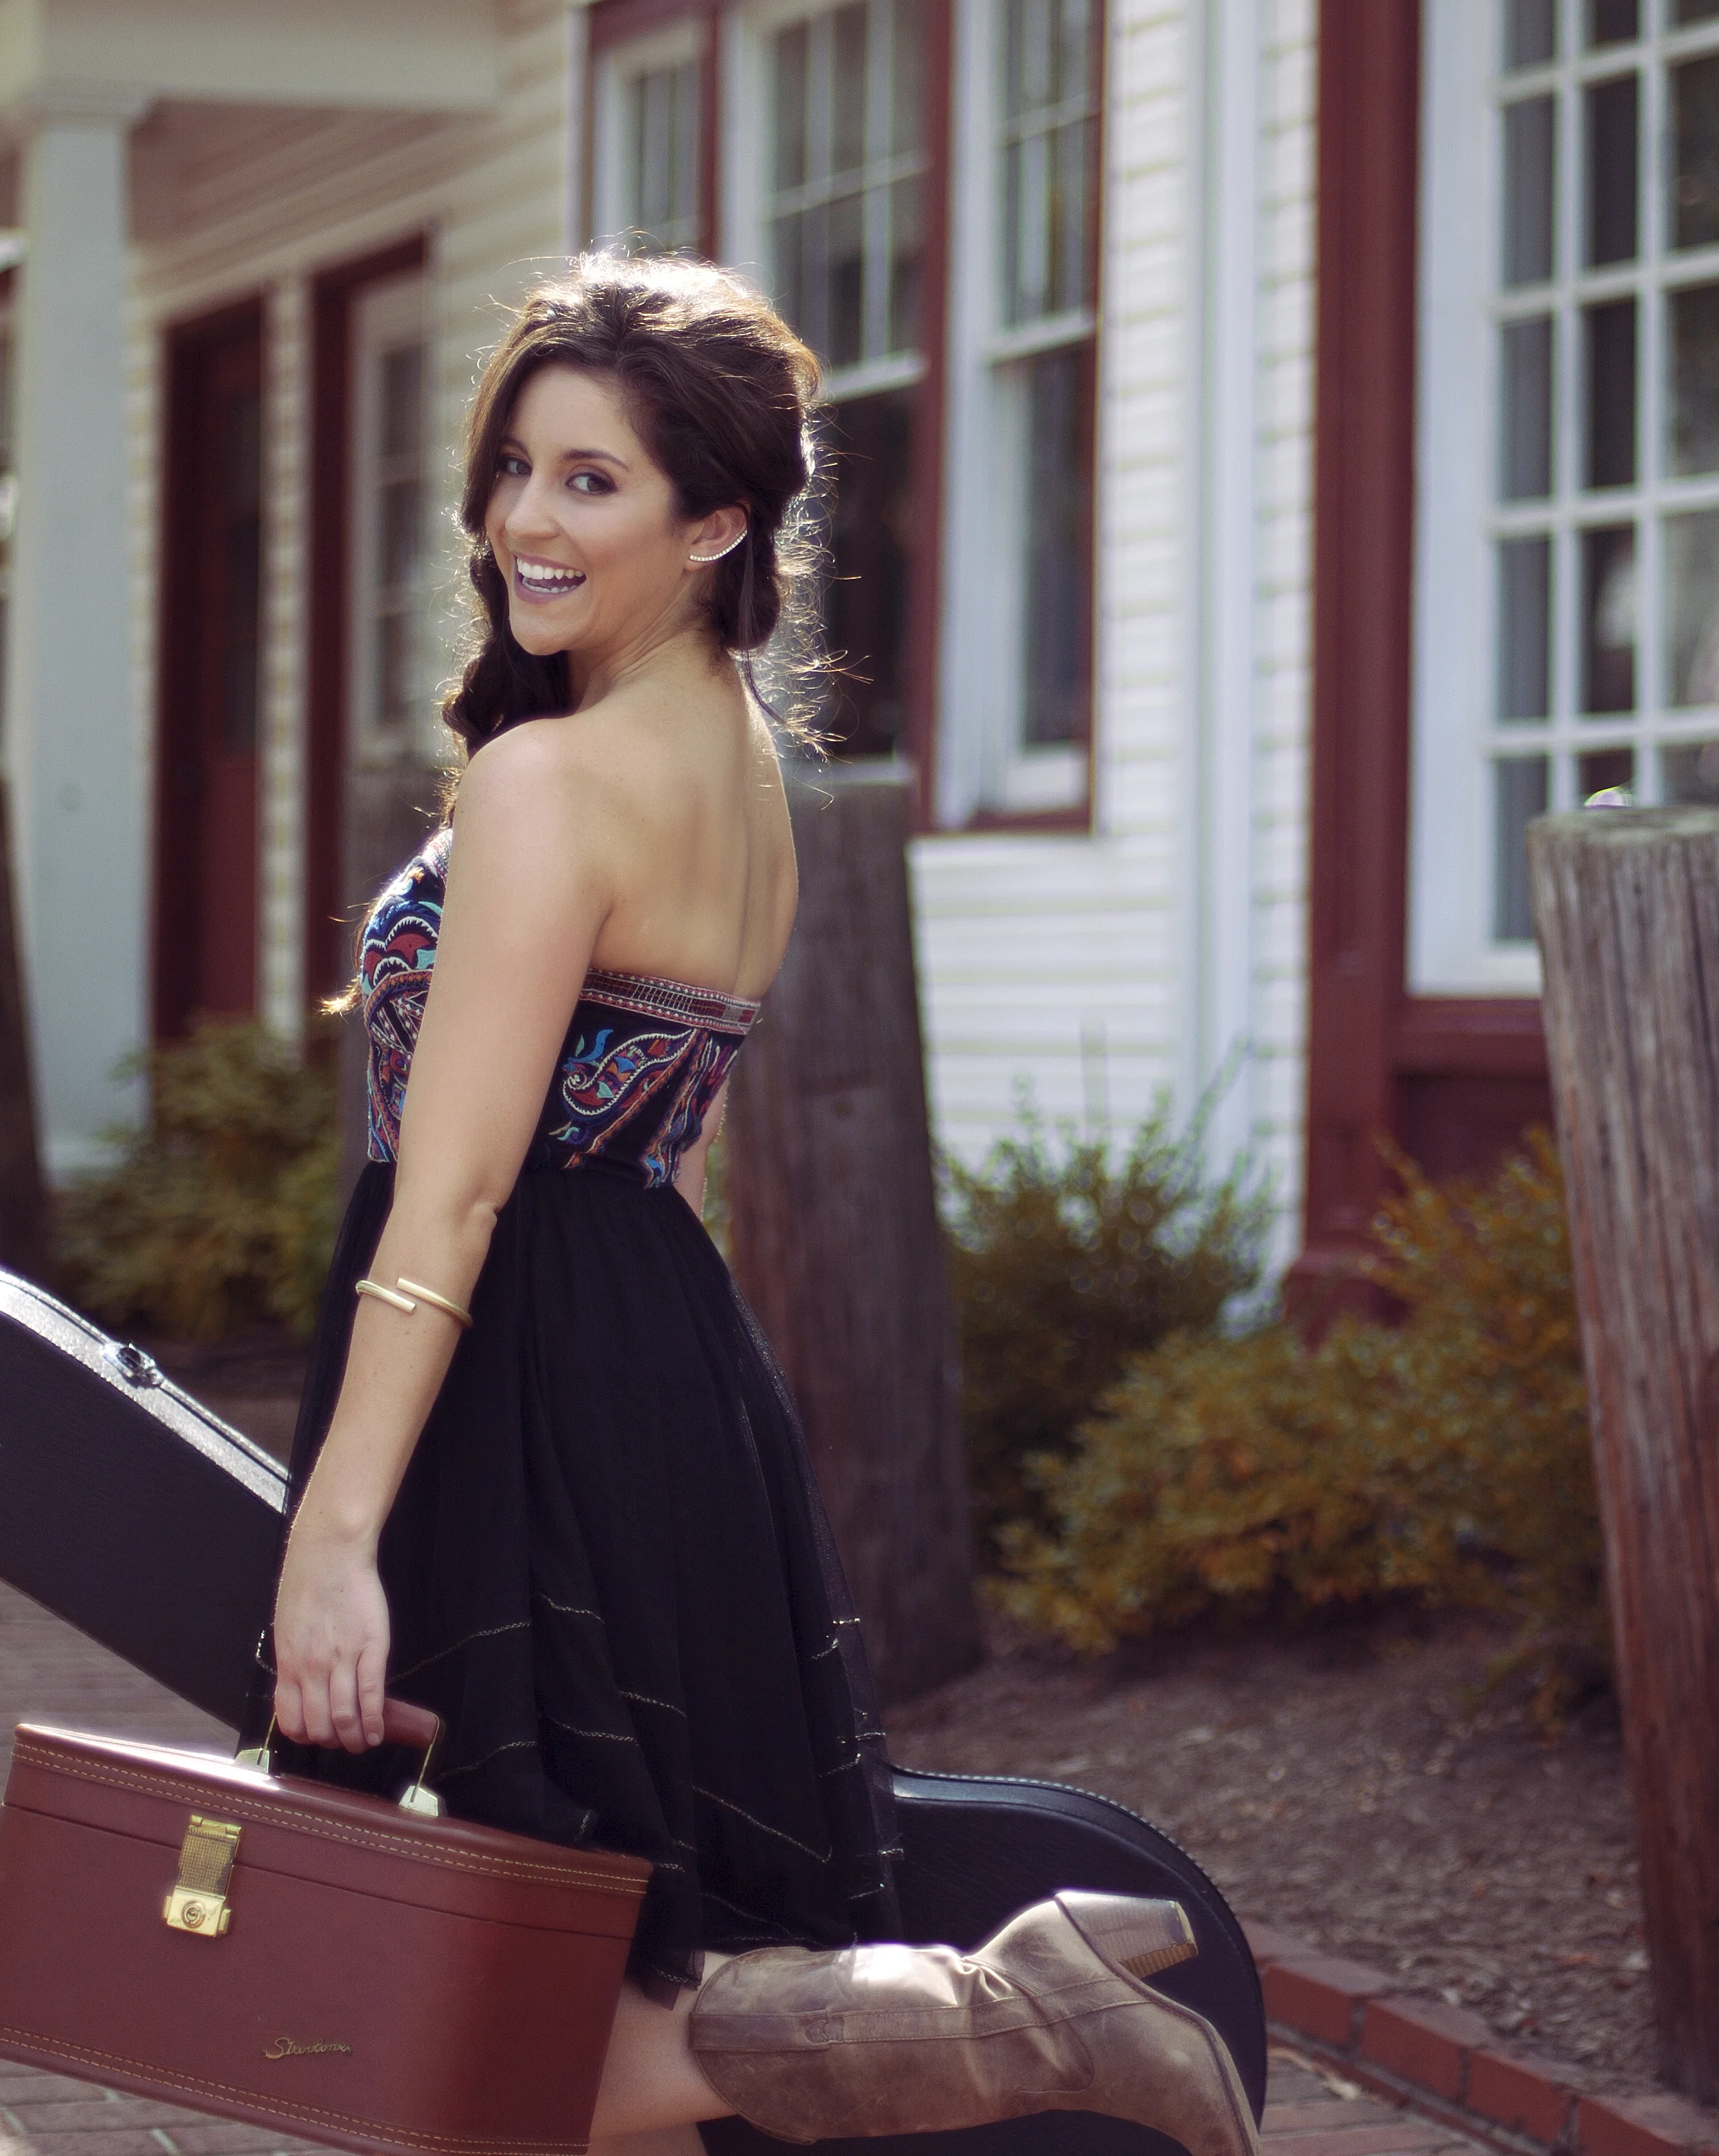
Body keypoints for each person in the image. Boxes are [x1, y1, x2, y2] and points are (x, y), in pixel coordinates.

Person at [267, 255, 1258, 2156]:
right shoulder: (740, 778)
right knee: (588, 2008)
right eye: (514, 470)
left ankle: (1001, 2013)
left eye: (590, 482)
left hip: (521, 1378)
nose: (521, 523)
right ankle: (998, 2010)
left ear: (716, 518)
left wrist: (337, 1538)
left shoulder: (553, 782)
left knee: (513, 2021)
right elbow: (676, 1148)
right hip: (669, 1370)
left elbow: (459, 1189)